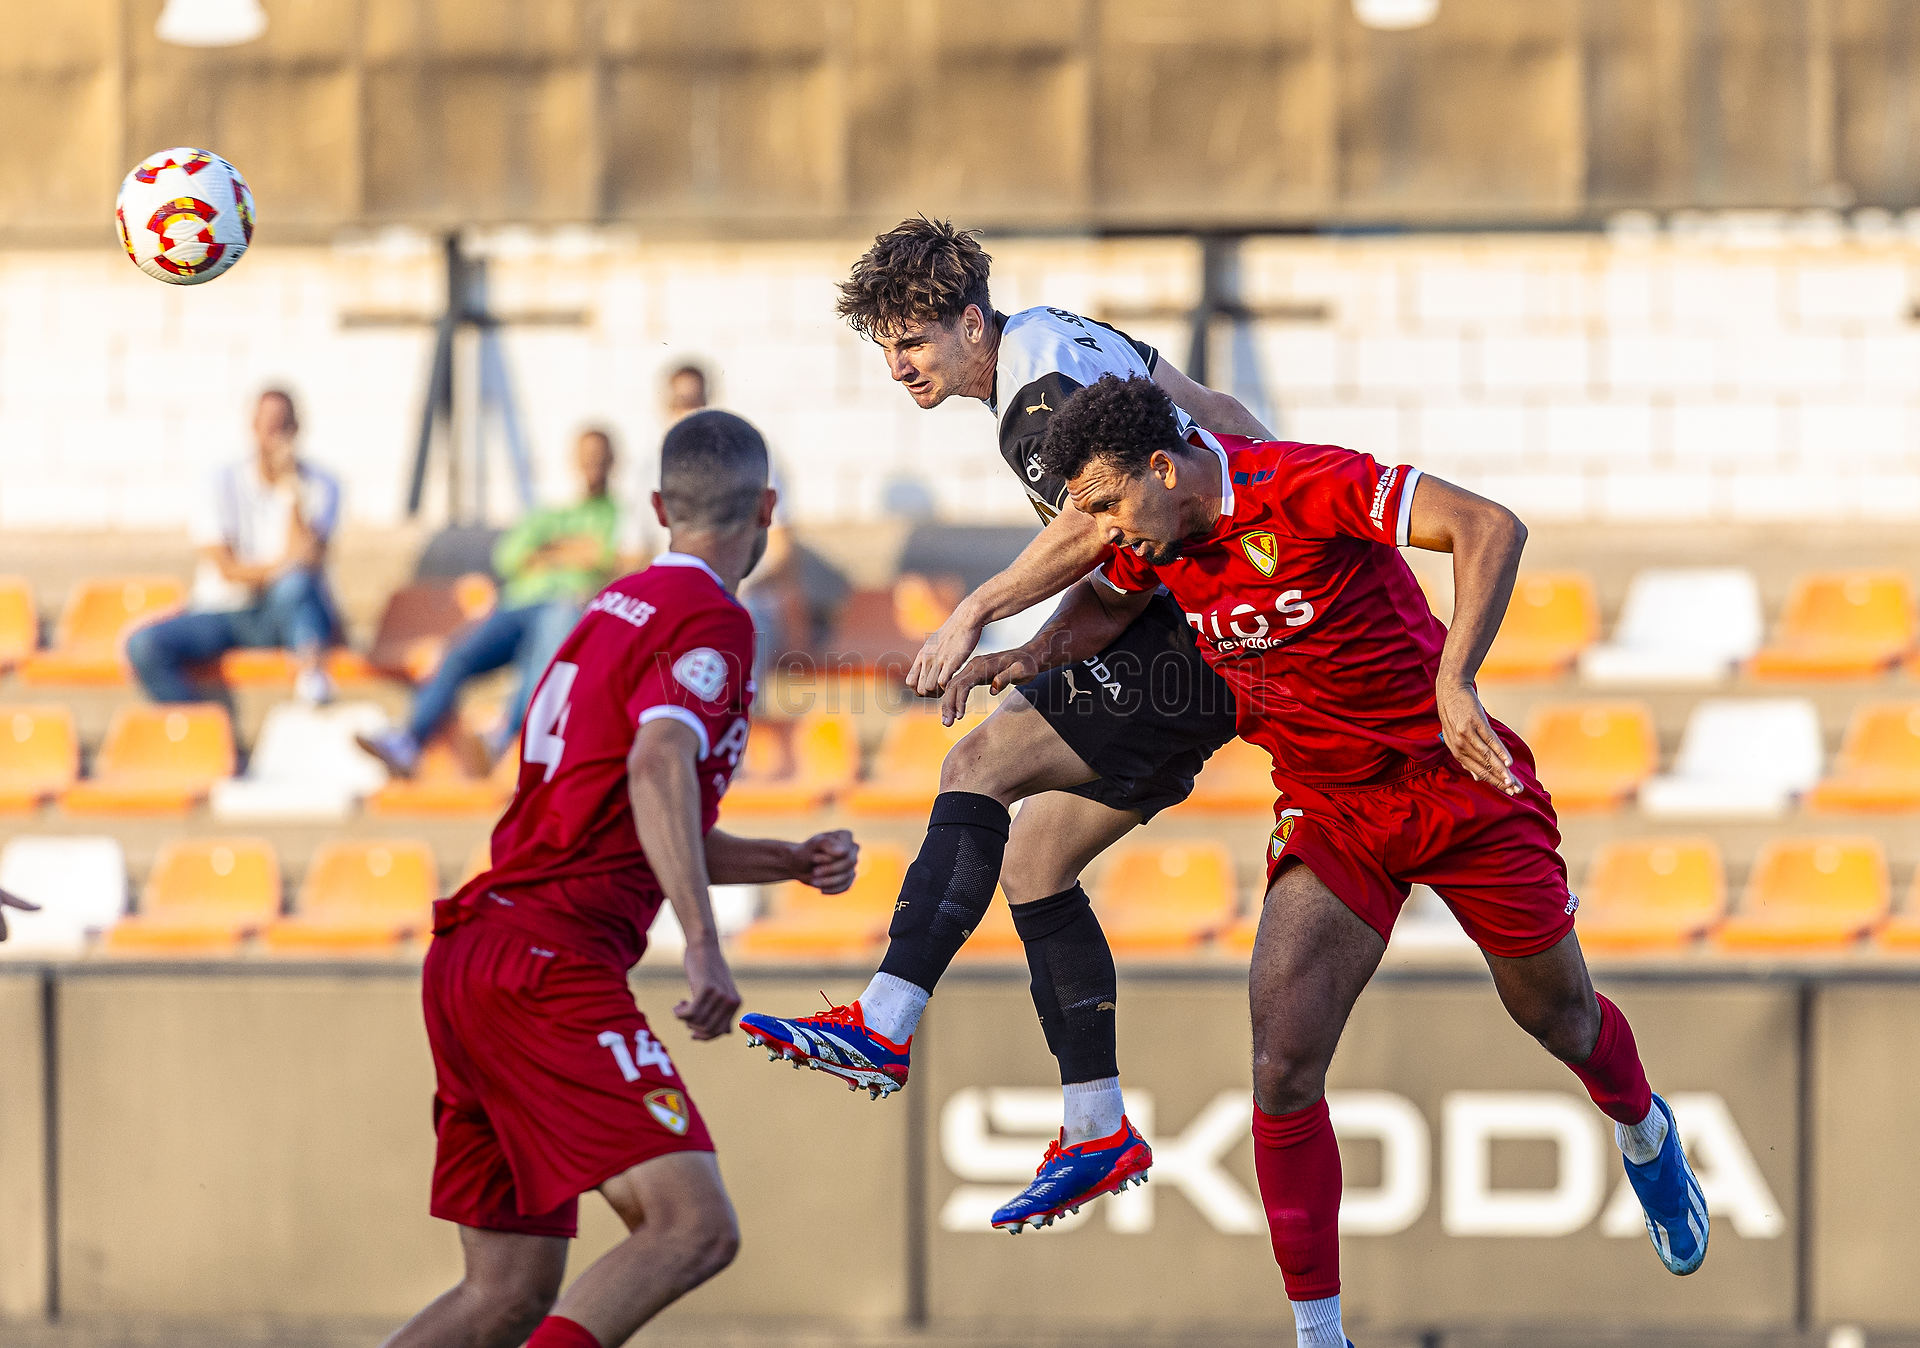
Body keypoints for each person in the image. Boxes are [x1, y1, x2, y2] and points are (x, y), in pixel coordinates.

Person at [942, 374, 1707, 1346]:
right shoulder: (1149, 538)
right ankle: (1320, 1335)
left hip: (1455, 782)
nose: (1098, 529)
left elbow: (1489, 526)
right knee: (1282, 1063)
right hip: (1332, 809)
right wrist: (1030, 653)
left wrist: (1456, 679)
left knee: (1559, 1017)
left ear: (1164, 468)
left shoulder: (1303, 486)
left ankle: (1642, 1126)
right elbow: (1102, 605)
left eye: (1105, 505)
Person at [738, 217, 1272, 1232]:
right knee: (1033, 863)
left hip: (1189, 635)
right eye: (887, 347)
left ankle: (885, 1023)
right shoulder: (1071, 334)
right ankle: (1097, 1128)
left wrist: (976, 612)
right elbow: (1225, 417)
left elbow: (1094, 527)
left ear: (972, 323)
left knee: (976, 764)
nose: (899, 366)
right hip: (1209, 626)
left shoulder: (1036, 394)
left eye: (914, 341)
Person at [382, 410, 859, 1348]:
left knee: (503, 1293)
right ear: (766, 509)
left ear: (657, 508)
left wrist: (785, 862)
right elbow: (656, 765)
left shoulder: (610, 607)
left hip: (476, 953)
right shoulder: (713, 618)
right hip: (547, 965)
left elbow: (631, 811)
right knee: (692, 1229)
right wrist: (705, 946)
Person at [358, 429, 624, 776]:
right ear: (574, 460)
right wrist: (575, 551)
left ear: (613, 461)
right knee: (456, 657)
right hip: (517, 604)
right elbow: (508, 557)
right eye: (587, 457)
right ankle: (408, 741)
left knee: (539, 657)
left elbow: (610, 560)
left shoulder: (619, 515)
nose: (593, 465)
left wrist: (545, 551)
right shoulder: (550, 512)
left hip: (565, 609)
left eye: (599, 458)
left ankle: (501, 736)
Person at [127, 388, 343, 706]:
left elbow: (308, 562)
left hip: (283, 614)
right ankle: (203, 725)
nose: (275, 436)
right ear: (252, 427)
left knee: (295, 587)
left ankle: (312, 676)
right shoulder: (219, 481)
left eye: (282, 425)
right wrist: (282, 568)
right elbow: (227, 570)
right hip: (224, 612)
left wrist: (291, 490)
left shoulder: (321, 484)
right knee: (143, 645)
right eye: (268, 425)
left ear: (296, 429)